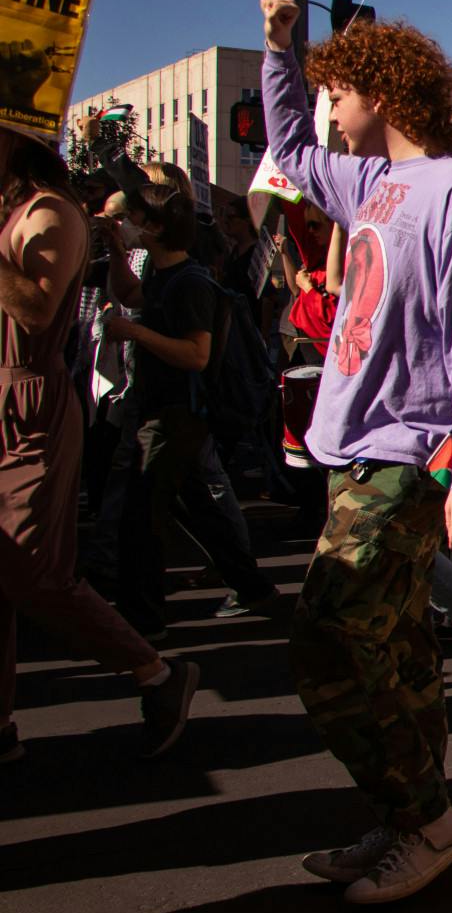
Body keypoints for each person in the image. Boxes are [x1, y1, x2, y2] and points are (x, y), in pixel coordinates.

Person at [259, 0, 452, 905]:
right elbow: (290, 151)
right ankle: (412, 816)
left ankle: (426, 816)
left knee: (326, 640)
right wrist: (279, 53)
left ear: (383, 92)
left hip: (406, 457)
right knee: (399, 646)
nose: (329, 111)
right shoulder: (369, 182)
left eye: (337, 93)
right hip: (352, 452)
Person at [0, 127, 199, 761]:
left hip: (30, 404)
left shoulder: (50, 212)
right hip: (7, 399)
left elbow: (36, 310)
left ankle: (156, 673)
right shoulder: (14, 211)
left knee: (34, 569)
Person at [99, 185, 282, 631]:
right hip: (165, 411)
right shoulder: (164, 276)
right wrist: (116, 251)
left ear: (158, 227)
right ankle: (252, 586)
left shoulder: (189, 284)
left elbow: (197, 354)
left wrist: (136, 333)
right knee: (196, 506)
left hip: (175, 414)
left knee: (141, 517)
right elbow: (129, 293)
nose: (128, 224)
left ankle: (144, 618)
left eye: (133, 218)